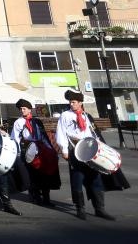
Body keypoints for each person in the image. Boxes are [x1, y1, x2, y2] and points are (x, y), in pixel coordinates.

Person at [55, 89, 129, 220]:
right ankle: (80, 209)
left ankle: (99, 209)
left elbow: (94, 134)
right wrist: (65, 151)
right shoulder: (65, 115)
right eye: (70, 102)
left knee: (96, 180)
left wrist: (101, 149)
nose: (71, 104)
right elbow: (61, 133)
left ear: (80, 103)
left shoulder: (86, 116)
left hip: (89, 151)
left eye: (74, 102)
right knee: (77, 179)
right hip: (75, 150)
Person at [11, 98, 60, 207]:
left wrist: (50, 149)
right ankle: (36, 197)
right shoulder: (18, 122)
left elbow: (43, 136)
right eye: (20, 109)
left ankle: (46, 199)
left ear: (30, 110)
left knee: (45, 174)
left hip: (41, 150)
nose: (22, 111)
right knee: (33, 175)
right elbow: (15, 139)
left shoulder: (37, 121)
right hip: (28, 150)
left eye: (24, 108)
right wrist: (18, 154)